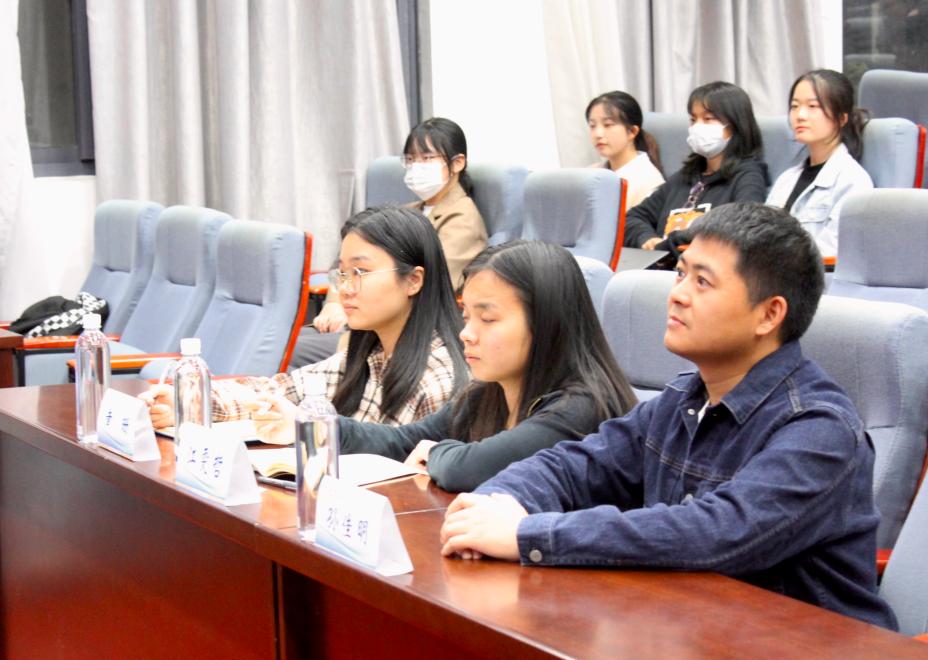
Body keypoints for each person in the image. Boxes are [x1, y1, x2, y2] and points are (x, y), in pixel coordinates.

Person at [439, 203, 899, 630]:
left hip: (812, 655)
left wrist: (527, 534)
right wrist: (497, 503)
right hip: (696, 636)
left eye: (702, 282)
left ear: (769, 315)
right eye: (680, 274)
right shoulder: (683, 398)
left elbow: (715, 533)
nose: (676, 295)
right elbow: (575, 464)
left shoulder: (819, 428)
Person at [323, 240, 637, 492]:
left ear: (546, 324)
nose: (466, 334)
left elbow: (473, 468)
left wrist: (435, 452)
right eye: (467, 317)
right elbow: (403, 442)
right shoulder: (486, 392)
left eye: (487, 319)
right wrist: (321, 427)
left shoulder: (583, 407)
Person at [142, 206, 467, 437]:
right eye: (342, 273)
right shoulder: (369, 356)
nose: (345, 288)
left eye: (361, 272)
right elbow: (278, 391)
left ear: (413, 280)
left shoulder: (439, 381)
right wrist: (190, 402)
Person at [291, 117, 487, 368]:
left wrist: (351, 311)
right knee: (289, 340)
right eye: (411, 159)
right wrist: (333, 303)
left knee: (290, 351)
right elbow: (347, 260)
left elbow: (428, 287)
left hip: (397, 330)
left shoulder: (463, 219)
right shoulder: (409, 211)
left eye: (427, 158)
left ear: (457, 163)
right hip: (359, 316)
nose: (417, 166)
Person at [624, 82, 768, 252]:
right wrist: (647, 238)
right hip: (661, 263)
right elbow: (633, 217)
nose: (697, 127)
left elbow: (741, 229)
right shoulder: (685, 176)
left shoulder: (748, 176)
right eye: (693, 120)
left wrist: (668, 245)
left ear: (736, 124)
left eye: (708, 119)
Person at [766, 69, 873, 259]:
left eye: (813, 106)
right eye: (795, 106)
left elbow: (830, 253)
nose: (800, 115)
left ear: (841, 118)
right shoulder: (786, 178)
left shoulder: (853, 182)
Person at [586, 90, 665, 210]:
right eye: (592, 126)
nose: (598, 134)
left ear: (632, 131)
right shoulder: (590, 174)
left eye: (608, 125)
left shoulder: (649, 182)